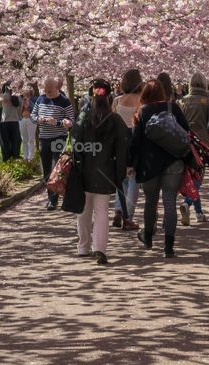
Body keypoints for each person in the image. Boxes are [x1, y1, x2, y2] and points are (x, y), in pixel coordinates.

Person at [129, 77, 190, 258]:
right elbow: (186, 131)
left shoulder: (142, 112)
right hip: (173, 162)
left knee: (151, 202)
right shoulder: (173, 108)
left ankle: (148, 237)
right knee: (170, 203)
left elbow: (135, 142)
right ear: (162, 92)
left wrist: (130, 163)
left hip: (149, 165)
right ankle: (169, 247)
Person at [70, 84, 128, 265]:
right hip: (106, 171)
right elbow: (123, 147)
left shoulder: (83, 117)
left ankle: (83, 247)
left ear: (91, 97)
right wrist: (120, 173)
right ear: (109, 97)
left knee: (83, 210)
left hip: (84, 171)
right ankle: (100, 249)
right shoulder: (115, 119)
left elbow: (74, 141)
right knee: (102, 211)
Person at [31, 76, 75, 209]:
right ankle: (50, 196)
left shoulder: (64, 101)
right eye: (45, 89)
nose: (47, 92)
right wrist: (39, 119)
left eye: (49, 90)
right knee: (46, 169)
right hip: (44, 138)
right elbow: (33, 116)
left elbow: (72, 120)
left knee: (55, 168)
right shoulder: (41, 99)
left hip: (58, 138)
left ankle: (53, 200)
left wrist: (58, 122)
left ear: (57, 88)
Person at [178, 71, 209, 224]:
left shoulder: (182, 101)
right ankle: (187, 203)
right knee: (198, 177)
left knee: (191, 176)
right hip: (202, 143)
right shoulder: (208, 101)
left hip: (185, 142)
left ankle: (198, 212)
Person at [113, 68, 143, 230]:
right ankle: (128, 216)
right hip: (135, 141)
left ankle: (118, 209)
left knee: (121, 179)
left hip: (119, 141)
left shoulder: (117, 101)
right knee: (134, 180)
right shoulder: (141, 100)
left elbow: (111, 121)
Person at [0, 89, 22, 161]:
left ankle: (6, 158)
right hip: (15, 121)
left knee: (4, 141)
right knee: (15, 141)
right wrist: (18, 116)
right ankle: (15, 157)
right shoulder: (18, 96)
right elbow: (20, 107)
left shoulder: (2, 96)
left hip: (4, 121)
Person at [19, 85, 38, 162]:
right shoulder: (20, 99)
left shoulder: (34, 99)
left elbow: (36, 109)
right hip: (22, 120)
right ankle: (25, 157)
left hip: (31, 120)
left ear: (31, 91)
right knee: (24, 139)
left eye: (27, 90)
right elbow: (17, 109)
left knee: (31, 139)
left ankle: (31, 157)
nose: (25, 91)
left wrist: (28, 102)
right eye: (24, 90)